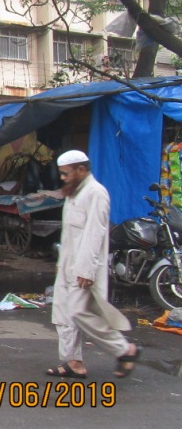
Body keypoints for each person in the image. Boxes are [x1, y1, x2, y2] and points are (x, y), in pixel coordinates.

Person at [46, 150, 141, 379]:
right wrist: (62, 264)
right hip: (67, 264)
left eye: (66, 173)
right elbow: (70, 235)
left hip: (84, 268)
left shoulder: (96, 193)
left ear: (81, 170)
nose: (63, 178)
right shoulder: (74, 193)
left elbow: (94, 234)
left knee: (79, 312)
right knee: (62, 313)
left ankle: (125, 350)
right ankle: (74, 362)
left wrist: (85, 269)